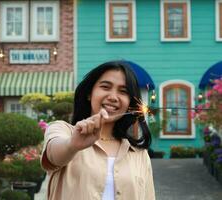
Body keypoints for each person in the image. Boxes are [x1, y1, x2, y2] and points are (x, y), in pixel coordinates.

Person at [41, 60, 155, 200]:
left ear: (129, 103)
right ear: (89, 93)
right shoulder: (63, 131)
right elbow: (54, 155)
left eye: (123, 91)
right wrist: (72, 145)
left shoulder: (139, 154)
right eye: (105, 87)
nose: (113, 97)